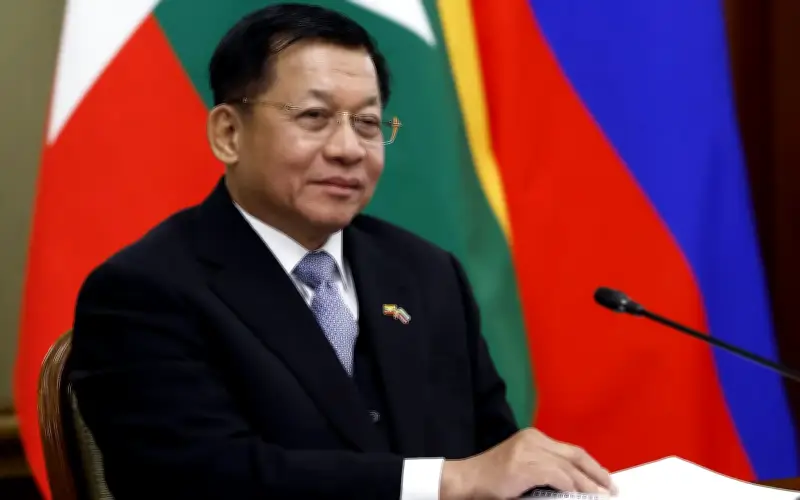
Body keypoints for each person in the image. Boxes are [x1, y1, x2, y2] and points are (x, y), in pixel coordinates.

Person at [67, 3, 615, 499]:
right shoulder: (144, 290)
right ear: (229, 133)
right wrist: (444, 482)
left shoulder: (426, 273)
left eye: (368, 123)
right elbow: (202, 478)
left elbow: (491, 452)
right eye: (314, 117)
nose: (349, 149)